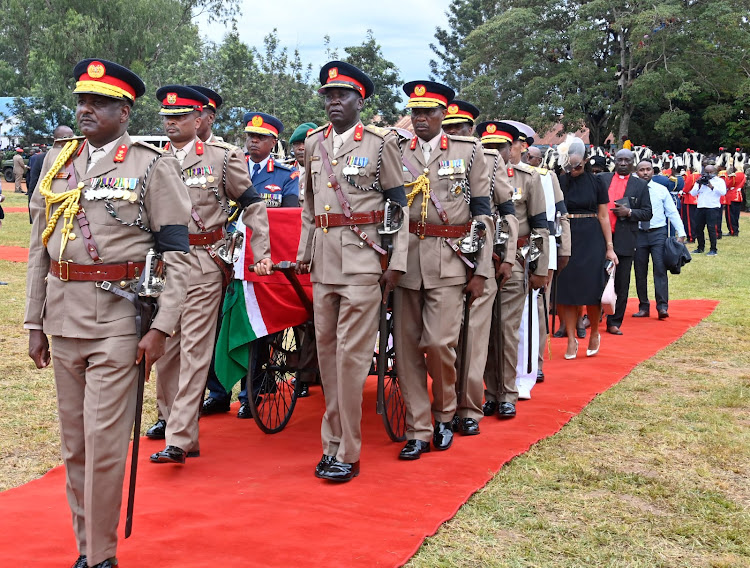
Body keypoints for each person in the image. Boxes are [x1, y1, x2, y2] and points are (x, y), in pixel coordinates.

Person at [25, 58, 192, 568]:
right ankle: (86, 545)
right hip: (63, 317)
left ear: (124, 112)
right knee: (75, 446)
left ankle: (98, 556)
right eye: (81, 101)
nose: (85, 110)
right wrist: (34, 322)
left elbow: (177, 255)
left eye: (98, 103)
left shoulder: (150, 163)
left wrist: (163, 326)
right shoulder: (59, 161)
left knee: (102, 445)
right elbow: (39, 249)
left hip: (118, 322)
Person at [296, 61, 408, 481]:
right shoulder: (313, 144)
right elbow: (309, 207)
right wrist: (305, 251)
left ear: (360, 100)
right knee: (326, 356)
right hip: (324, 264)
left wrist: (395, 261)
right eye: (328, 95)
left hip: (364, 262)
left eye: (342, 95)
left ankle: (348, 450)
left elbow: (399, 208)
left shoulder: (380, 144)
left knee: (351, 358)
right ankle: (331, 443)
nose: (334, 101)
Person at [148, 85, 272, 464]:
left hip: (204, 262)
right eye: (167, 117)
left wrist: (260, 253)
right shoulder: (153, 160)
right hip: (165, 264)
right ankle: (170, 418)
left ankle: (180, 437)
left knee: (195, 347)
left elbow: (253, 205)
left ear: (199, 119)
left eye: (181, 117)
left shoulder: (221, 157)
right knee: (165, 347)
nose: (172, 123)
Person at [395, 80, 493, 459]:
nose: (421, 119)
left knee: (438, 344)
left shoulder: (469, 151)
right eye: (415, 112)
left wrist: (481, 268)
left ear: (443, 115)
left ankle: (445, 412)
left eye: (429, 112)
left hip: (450, 261)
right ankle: (418, 429)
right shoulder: (397, 150)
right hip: (406, 263)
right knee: (405, 351)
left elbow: (483, 213)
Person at [441, 100, 517, 433]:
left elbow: (507, 211)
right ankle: (443, 403)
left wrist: (509, 256)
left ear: (470, 130)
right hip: (438, 258)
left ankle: (469, 409)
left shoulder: (488, 157)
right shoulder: (427, 157)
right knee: (442, 339)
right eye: (448, 127)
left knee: (472, 338)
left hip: (479, 259)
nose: (452, 133)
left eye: (458, 128)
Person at [479, 121, 548, 416]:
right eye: (488, 147)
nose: (495, 152)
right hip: (479, 262)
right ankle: (488, 390)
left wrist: (539, 267)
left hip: (515, 261)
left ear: (512, 149)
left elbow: (540, 227)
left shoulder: (528, 177)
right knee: (482, 330)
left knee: (506, 330)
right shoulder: (475, 175)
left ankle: (507, 391)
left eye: (500, 147)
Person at [555, 137, 618, 358]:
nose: (575, 168)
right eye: (571, 165)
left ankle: (593, 334)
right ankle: (571, 338)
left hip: (592, 236)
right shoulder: (560, 181)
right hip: (567, 235)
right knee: (567, 291)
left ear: (586, 160)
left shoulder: (597, 182)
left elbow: (603, 215)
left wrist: (609, 247)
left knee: (593, 289)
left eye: (579, 164)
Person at [524, 143, 570, 387]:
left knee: (538, 306)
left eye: (531, 156)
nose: (527, 158)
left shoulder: (547, 177)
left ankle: (536, 362)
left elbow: (561, 213)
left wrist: (566, 248)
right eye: (525, 155)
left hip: (543, 246)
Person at [599, 149, 652, 335]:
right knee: (595, 279)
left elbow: (647, 213)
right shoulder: (602, 179)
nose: (622, 163)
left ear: (633, 163)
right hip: (598, 238)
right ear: (614, 161)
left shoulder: (640, 186)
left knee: (621, 282)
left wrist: (629, 213)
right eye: (619, 159)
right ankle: (591, 316)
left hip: (625, 238)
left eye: (626, 160)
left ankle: (614, 322)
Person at [632, 160, 686, 319]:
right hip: (639, 233)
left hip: (658, 234)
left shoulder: (661, 190)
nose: (645, 172)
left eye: (648, 169)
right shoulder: (632, 190)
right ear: (636, 172)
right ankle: (643, 307)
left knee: (660, 269)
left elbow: (672, 212)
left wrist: (681, 233)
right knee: (640, 271)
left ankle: (662, 307)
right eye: (641, 170)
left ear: (652, 171)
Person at [244, 111, 299, 209]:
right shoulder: (234, 168)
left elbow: (289, 214)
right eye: (251, 136)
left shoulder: (287, 175)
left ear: (273, 143)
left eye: (261, 137)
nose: (254, 140)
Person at [28, 127, 75, 223]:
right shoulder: (42, 158)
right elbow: (34, 186)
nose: (70, 140)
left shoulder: (77, 156)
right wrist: (34, 216)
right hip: (49, 206)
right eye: (65, 137)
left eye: (72, 137)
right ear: (56, 140)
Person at [690, 164, 726, 256]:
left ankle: (713, 249)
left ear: (715, 172)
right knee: (698, 228)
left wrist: (711, 186)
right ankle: (700, 247)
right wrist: (698, 184)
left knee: (711, 228)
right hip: (701, 206)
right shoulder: (700, 181)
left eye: (711, 172)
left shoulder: (719, 181)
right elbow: (693, 193)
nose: (709, 174)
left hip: (712, 207)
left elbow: (723, 192)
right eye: (707, 172)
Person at [289, 121, 317, 205]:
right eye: (297, 144)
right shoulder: (286, 171)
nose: (301, 148)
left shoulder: (326, 172)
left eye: (305, 143)